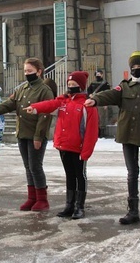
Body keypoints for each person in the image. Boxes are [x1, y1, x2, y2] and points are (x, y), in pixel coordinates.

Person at [85, 51, 140, 227]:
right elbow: (110, 95)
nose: (136, 70)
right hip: (128, 135)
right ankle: (133, 211)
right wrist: (95, 99)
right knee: (132, 173)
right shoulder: (125, 86)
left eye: (139, 67)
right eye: (133, 67)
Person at [25, 71, 98, 219]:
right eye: (69, 85)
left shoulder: (87, 105)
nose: (71, 87)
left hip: (78, 147)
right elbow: (50, 104)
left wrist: (86, 151)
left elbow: (91, 131)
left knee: (80, 176)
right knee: (69, 175)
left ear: (81, 86)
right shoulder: (64, 101)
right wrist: (35, 107)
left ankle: (79, 206)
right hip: (64, 146)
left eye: (74, 85)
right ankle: (69, 205)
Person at [0, 58, 54, 211]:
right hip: (23, 133)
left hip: (35, 134)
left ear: (39, 71)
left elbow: (45, 115)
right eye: (25, 71)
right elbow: (11, 103)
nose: (27, 74)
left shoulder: (44, 90)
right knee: (27, 167)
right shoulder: (23, 88)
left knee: (35, 167)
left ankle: (42, 199)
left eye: (30, 71)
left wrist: (39, 137)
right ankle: (32, 198)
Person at [87, 69, 111, 138]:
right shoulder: (93, 83)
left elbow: (108, 93)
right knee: (94, 118)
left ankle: (101, 133)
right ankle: (95, 132)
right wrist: (90, 95)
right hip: (93, 102)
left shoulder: (105, 83)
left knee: (101, 117)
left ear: (102, 74)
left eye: (99, 74)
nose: (98, 75)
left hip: (101, 102)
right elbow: (89, 91)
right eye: (97, 74)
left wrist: (106, 103)